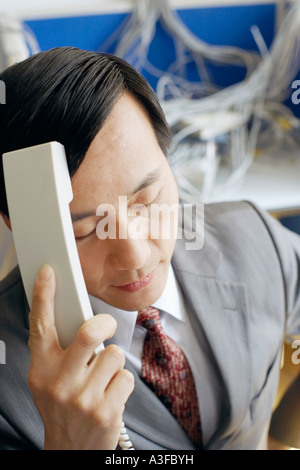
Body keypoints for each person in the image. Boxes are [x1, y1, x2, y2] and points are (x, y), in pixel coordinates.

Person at [0, 47, 299, 451]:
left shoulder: (253, 236)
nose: (136, 256)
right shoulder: (7, 388)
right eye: (86, 229)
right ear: (20, 228)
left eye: (148, 202)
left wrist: (282, 437)